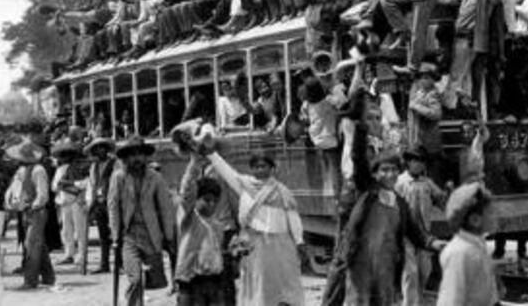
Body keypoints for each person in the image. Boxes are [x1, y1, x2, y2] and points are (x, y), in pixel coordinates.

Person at [325, 80, 444, 305]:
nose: (389, 175)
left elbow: (413, 229)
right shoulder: (359, 147)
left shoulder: (397, 199)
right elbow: (359, 160)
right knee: (342, 266)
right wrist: (360, 125)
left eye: (377, 118)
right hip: (357, 228)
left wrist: (432, 243)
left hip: (384, 265)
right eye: (384, 170)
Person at [203, 147, 305, 306]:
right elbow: (226, 171)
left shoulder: (282, 191)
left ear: (272, 168)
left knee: (281, 282)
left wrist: (299, 241)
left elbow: (293, 217)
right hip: (254, 244)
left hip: (280, 245)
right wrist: (212, 154)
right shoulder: (244, 185)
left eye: (263, 166)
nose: (260, 170)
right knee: (255, 281)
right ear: (251, 169)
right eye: (256, 166)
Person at [108, 136, 177, 306]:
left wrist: (168, 236)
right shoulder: (119, 177)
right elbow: (113, 207)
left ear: (145, 157)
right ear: (126, 158)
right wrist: (115, 236)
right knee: (135, 278)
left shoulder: (155, 178)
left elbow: (165, 208)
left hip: (150, 234)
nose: (136, 159)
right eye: (132, 155)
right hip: (128, 235)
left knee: (154, 280)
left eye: (140, 154)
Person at [395, 145, 446, 306]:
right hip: (406, 235)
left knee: (425, 271)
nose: (419, 164)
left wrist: (446, 195)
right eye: (415, 161)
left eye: (422, 162)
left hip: (424, 235)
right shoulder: (400, 182)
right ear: (408, 162)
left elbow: (441, 199)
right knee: (410, 272)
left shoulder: (427, 183)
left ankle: (417, 298)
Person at [174, 154, 227, 306]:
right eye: (206, 200)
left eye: (215, 201)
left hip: (214, 280)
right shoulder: (188, 219)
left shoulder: (218, 225)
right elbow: (186, 190)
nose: (211, 204)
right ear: (195, 199)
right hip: (191, 280)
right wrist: (194, 163)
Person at [436, 182, 500, 306]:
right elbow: (451, 300)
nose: (496, 217)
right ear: (475, 220)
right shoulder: (459, 253)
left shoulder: (478, 246)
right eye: (491, 213)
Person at [4, 140, 57, 290]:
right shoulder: (21, 171)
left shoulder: (38, 170)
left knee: (31, 245)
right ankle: (48, 277)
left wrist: (32, 205)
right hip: (25, 211)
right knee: (39, 244)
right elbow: (14, 189)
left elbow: (43, 194)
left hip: (37, 211)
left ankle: (30, 280)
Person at [51, 141, 90, 272]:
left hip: (77, 202)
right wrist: (68, 184)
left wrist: (67, 183)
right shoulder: (60, 169)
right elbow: (55, 186)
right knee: (66, 231)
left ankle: (82, 255)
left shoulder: (81, 168)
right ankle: (69, 254)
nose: (64, 158)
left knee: (80, 230)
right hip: (64, 202)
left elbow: (84, 184)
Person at [84, 136, 116, 274]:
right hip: (98, 202)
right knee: (103, 235)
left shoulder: (115, 163)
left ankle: (120, 262)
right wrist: (90, 204)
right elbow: (91, 185)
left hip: (112, 201)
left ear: (106, 149)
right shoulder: (93, 167)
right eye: (97, 148)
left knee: (116, 233)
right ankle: (104, 264)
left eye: (102, 147)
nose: (100, 150)